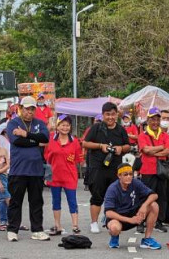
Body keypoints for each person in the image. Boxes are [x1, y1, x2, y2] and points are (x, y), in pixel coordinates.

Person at [4, 96, 50, 241]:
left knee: (36, 201)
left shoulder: (40, 123)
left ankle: (37, 229)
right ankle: (12, 230)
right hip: (18, 169)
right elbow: (16, 141)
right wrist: (35, 141)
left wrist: (26, 134)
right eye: (27, 109)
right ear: (20, 108)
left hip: (36, 169)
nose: (29, 112)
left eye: (32, 109)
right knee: (16, 201)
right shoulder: (13, 123)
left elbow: (45, 138)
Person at [83, 101, 132, 233]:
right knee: (97, 195)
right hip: (98, 167)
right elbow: (85, 143)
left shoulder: (121, 129)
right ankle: (94, 222)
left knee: (116, 195)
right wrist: (100, 146)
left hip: (115, 168)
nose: (110, 117)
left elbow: (128, 146)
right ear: (103, 115)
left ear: (117, 115)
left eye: (113, 114)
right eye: (107, 114)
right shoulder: (96, 128)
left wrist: (120, 148)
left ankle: (111, 219)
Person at [102, 163, 160, 250]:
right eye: (125, 174)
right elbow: (108, 213)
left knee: (154, 205)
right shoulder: (112, 188)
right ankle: (114, 236)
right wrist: (130, 220)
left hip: (134, 214)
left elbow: (154, 195)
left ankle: (147, 239)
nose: (129, 177)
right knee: (115, 228)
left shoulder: (135, 182)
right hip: (119, 218)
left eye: (130, 174)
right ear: (119, 176)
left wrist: (144, 206)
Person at [136, 107, 169, 230]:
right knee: (145, 196)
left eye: (157, 119)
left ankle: (159, 221)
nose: (155, 122)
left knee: (162, 196)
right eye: (153, 119)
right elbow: (145, 150)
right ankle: (141, 221)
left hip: (161, 170)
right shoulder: (142, 135)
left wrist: (153, 152)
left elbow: (168, 150)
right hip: (147, 170)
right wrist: (161, 147)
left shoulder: (165, 135)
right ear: (148, 120)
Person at [44, 115, 82, 236]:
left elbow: (78, 159)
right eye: (62, 125)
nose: (65, 128)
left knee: (72, 201)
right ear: (57, 126)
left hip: (70, 176)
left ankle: (75, 225)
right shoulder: (50, 139)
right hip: (54, 176)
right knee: (56, 201)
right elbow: (46, 158)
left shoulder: (75, 141)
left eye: (67, 125)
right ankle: (57, 225)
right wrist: (47, 176)